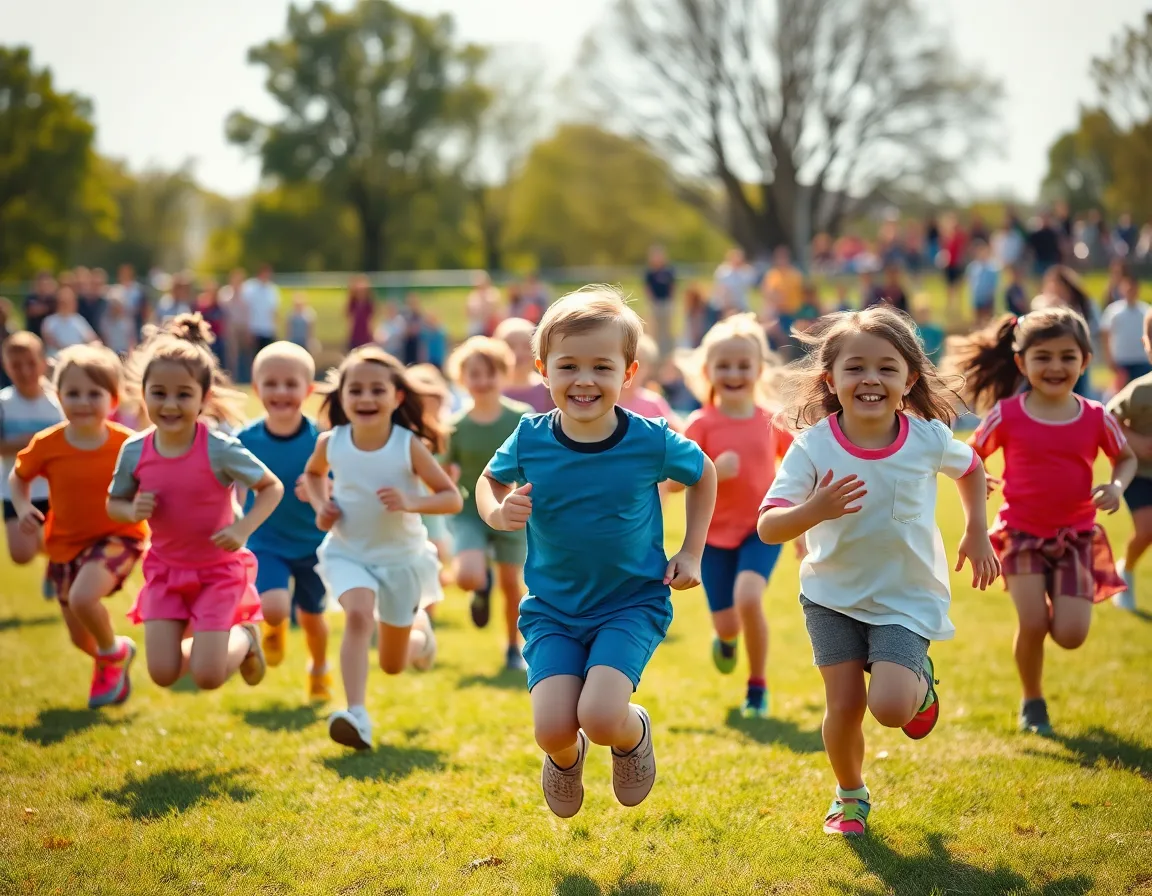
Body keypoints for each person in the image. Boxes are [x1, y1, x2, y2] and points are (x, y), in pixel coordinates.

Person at [475, 286, 717, 818]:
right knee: (552, 729)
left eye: (602, 367)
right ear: (543, 369)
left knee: (603, 715)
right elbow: (487, 482)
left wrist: (692, 551)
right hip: (554, 610)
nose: (584, 380)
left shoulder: (650, 439)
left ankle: (632, 737)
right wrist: (496, 512)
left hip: (630, 602)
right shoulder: (530, 437)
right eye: (568, 366)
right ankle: (567, 759)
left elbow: (704, 474)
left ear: (628, 374)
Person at [757, 305, 998, 837]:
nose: (871, 379)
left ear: (909, 379)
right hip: (830, 595)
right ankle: (849, 796)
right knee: (843, 705)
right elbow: (769, 527)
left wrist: (976, 530)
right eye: (855, 367)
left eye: (887, 368)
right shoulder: (813, 446)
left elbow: (973, 467)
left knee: (889, 707)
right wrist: (813, 511)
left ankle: (919, 684)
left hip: (905, 596)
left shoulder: (926, 438)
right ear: (831, 380)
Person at [952, 308, 1135, 736]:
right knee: (1032, 623)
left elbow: (1125, 458)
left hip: (1076, 538)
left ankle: (1058, 597)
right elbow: (969, 456)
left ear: (1086, 361)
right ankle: (1032, 700)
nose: (1055, 367)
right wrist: (983, 476)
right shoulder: (1007, 415)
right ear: (1022, 363)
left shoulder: (1095, 416)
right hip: (1020, 535)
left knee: (1070, 634)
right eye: (1043, 357)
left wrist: (1117, 487)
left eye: (1067, 357)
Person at [107, 315, 284, 693]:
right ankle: (216, 645)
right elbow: (114, 503)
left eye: (183, 395)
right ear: (144, 394)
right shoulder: (134, 451)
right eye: (159, 393)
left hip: (218, 572)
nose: (170, 405)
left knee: (208, 676)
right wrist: (131, 511)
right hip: (166, 572)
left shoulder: (219, 449)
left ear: (204, 399)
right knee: (163, 674)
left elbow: (271, 487)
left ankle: (246, 639)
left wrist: (242, 528)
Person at [303, 346, 462, 750]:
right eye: (355, 390)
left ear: (398, 398)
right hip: (348, 552)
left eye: (377, 390)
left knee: (392, 665)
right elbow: (314, 475)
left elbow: (450, 498)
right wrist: (323, 506)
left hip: (401, 561)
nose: (366, 398)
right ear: (342, 398)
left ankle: (421, 639)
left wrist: (413, 502)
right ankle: (357, 715)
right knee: (357, 616)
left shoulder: (407, 444)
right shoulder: (331, 442)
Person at [9, 345, 148, 708]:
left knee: (85, 597)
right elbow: (19, 476)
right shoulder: (48, 443)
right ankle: (113, 652)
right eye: (73, 393)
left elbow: (153, 479)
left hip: (119, 536)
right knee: (78, 637)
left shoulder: (127, 444)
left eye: (93, 393)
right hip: (64, 545)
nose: (83, 402)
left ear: (113, 398)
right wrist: (23, 507)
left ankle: (109, 651)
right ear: (58, 396)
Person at [679, 314, 787, 718]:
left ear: (759, 369)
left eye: (744, 365)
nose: (734, 373)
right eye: (724, 365)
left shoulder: (770, 419)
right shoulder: (701, 423)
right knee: (727, 623)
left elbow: (801, 464)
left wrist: (805, 525)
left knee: (749, 597)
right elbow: (672, 481)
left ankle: (757, 685)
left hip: (762, 528)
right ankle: (725, 639)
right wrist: (708, 470)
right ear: (707, 371)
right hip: (711, 538)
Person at [237, 342, 331, 701]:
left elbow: (336, 482)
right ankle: (274, 627)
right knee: (274, 606)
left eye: (291, 384)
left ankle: (319, 669)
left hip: (313, 542)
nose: (280, 392)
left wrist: (321, 488)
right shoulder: (244, 440)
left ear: (308, 390)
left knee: (312, 617)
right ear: (257, 389)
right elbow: (229, 483)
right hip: (266, 539)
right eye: (271, 384)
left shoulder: (320, 439)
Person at [444, 337, 533, 670]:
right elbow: (441, 470)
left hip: (514, 508)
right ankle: (480, 586)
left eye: (489, 373)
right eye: (474, 374)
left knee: (514, 586)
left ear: (504, 374)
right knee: (466, 576)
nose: (481, 382)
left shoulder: (522, 419)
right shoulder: (455, 426)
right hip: (471, 511)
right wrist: (445, 474)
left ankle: (513, 647)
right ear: (461, 378)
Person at [0, 333, 65, 591]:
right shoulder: (4, 403)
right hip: (15, 489)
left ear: (43, 362)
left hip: (54, 488)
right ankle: (54, 560)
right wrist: (30, 443)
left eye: (30, 363)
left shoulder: (58, 401)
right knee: (21, 554)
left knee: (60, 541)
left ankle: (56, 565)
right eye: (16, 365)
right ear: (6, 366)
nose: (25, 371)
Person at [1106, 311, 1152, 612]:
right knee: (1148, 529)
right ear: (1147, 345)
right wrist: (1138, 442)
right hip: (1139, 472)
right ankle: (1127, 570)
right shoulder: (1141, 390)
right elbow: (1107, 417)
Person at [405, 363, 457, 590]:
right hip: (406, 502)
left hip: (433, 503)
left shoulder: (444, 435)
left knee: (434, 553)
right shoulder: (401, 435)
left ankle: (429, 608)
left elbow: (448, 470)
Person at [1099, 272, 1152, 389]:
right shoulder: (1113, 311)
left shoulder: (1146, 310)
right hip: (1122, 362)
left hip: (1142, 361)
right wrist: (1109, 358)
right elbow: (1105, 334)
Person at [618, 335, 680, 428]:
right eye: (627, 362)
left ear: (648, 369)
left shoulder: (654, 403)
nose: (631, 370)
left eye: (640, 364)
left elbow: (673, 432)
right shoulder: (607, 402)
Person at [493, 317, 552, 413]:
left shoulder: (550, 390)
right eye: (510, 345)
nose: (518, 353)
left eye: (527, 346)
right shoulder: (485, 389)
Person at [41, 286, 99, 357]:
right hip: (57, 359)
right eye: (64, 301)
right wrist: (70, 351)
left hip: (78, 359)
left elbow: (91, 338)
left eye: (70, 301)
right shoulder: (49, 321)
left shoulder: (79, 320)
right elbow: (49, 340)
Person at [761, 246, 804, 336]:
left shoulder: (795, 274)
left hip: (792, 313)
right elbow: (767, 293)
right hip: (777, 313)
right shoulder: (772, 274)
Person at [644, 246, 677, 359]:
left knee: (666, 329)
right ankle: (656, 354)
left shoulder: (668, 271)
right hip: (655, 303)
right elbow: (647, 288)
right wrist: (652, 301)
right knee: (655, 330)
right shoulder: (650, 272)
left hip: (666, 302)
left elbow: (672, 286)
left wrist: (671, 300)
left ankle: (667, 353)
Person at [242, 264, 281, 355]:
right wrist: (247, 330)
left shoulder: (273, 289)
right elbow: (247, 309)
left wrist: (276, 329)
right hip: (254, 330)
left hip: (268, 330)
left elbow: (274, 311)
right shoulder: (250, 287)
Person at [966, 240, 999, 327]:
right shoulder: (973, 267)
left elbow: (994, 285)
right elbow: (970, 283)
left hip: (987, 298)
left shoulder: (992, 268)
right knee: (977, 321)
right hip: (977, 298)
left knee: (987, 320)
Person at [100, 291, 138, 357]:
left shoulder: (128, 321)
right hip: (111, 354)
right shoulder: (104, 321)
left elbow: (131, 340)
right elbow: (105, 340)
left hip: (126, 354)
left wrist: (131, 354)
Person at [23, 271, 57, 339]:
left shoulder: (53, 299)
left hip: (49, 335)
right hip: (33, 333)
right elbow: (29, 311)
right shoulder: (31, 298)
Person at [346, 276, 375, 350]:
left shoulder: (369, 303)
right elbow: (350, 319)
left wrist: (371, 334)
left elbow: (371, 320)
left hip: (365, 335)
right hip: (355, 335)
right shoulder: (352, 303)